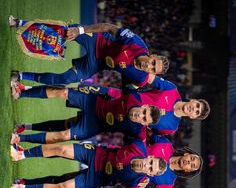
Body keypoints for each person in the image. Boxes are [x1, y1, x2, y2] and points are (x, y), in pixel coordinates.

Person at [10, 80, 210, 144]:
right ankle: (23, 91)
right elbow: (144, 79)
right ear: (192, 101)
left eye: (197, 112)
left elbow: (143, 137)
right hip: (110, 98)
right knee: (64, 92)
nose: (194, 109)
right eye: (197, 105)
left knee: (65, 129)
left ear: (193, 117)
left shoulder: (170, 129)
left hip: (108, 122)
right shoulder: (171, 90)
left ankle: (24, 131)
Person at [10, 137, 202, 188]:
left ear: (188, 172)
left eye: (192, 166)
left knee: (61, 185)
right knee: (61, 149)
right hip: (100, 154)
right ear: (187, 154)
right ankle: (22, 154)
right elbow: (140, 133)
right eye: (192, 159)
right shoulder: (164, 145)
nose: (189, 163)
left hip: (103, 177)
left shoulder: (166, 183)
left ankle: (23, 186)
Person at [10, 17, 169, 86]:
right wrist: (80, 30)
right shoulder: (136, 43)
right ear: (152, 56)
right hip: (98, 40)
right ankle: (20, 23)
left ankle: (20, 76)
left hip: (97, 63)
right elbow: (108, 27)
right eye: (154, 62)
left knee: (65, 79)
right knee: (65, 32)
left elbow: (133, 90)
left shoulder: (140, 78)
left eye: (153, 69)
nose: (150, 66)